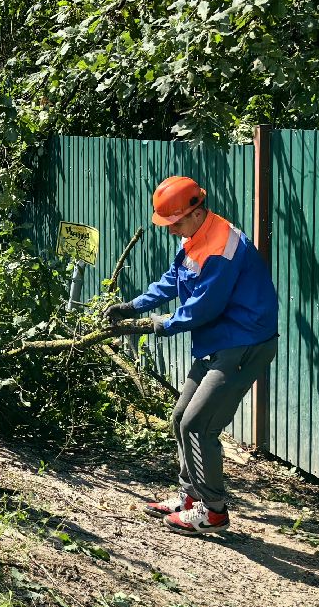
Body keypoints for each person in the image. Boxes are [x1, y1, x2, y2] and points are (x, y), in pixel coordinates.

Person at [106, 176, 279, 534]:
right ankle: (189, 497)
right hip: (218, 342)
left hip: (243, 344)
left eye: (177, 223)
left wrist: (155, 324)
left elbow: (203, 308)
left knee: (199, 425)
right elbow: (174, 280)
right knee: (180, 416)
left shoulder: (221, 248)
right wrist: (133, 305)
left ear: (197, 211)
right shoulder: (194, 237)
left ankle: (213, 511)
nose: (172, 231)